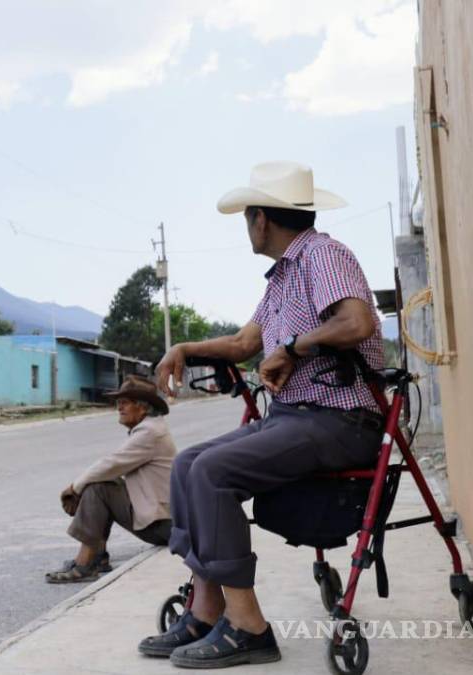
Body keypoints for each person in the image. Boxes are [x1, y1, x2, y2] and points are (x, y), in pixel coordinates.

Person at [138, 161, 385, 668]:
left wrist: (293, 348)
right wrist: (185, 347)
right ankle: (206, 610)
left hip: (340, 419)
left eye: (246, 218)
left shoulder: (322, 255)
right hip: (295, 417)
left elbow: (357, 322)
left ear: (260, 219)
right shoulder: (282, 277)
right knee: (187, 465)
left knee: (212, 471)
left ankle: (249, 627)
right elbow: (244, 342)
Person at [45, 376, 175, 584]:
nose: (119, 408)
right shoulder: (151, 428)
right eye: (118, 403)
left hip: (162, 525)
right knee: (103, 484)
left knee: (98, 488)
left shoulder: (150, 432)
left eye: (125, 403)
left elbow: (111, 464)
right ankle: (98, 557)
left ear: (143, 407)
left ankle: (85, 563)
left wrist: (75, 488)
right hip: (164, 521)